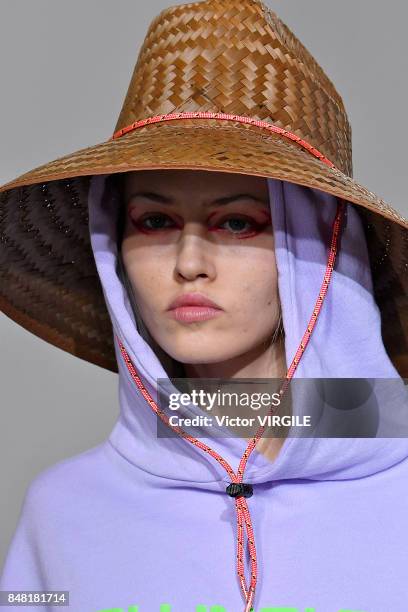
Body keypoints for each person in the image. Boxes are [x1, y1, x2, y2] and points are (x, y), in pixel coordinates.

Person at [0, 1, 407, 611]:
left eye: (238, 222)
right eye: (155, 220)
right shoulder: (65, 512)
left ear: (318, 247)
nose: (189, 262)